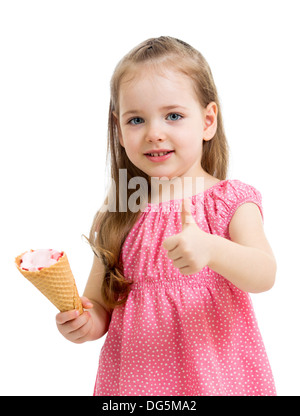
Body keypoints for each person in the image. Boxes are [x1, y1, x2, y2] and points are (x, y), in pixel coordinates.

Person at [55, 36, 277, 396]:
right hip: (136, 386)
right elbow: (99, 305)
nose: (154, 133)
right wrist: (85, 321)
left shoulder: (229, 200)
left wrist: (212, 250)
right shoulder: (120, 209)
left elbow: (264, 273)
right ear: (119, 129)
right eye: (136, 119)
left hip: (217, 381)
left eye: (173, 116)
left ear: (207, 121)